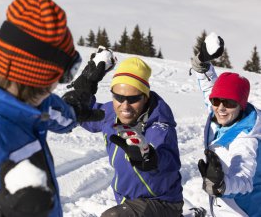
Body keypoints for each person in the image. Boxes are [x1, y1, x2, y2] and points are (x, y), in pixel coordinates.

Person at [0, 0, 106, 217]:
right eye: (61, 77)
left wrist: (76, 109)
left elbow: (54, 110)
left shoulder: (20, 100)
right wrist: (10, 211)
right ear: (40, 81)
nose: (57, 87)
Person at [70, 56, 184, 216]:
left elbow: (167, 159)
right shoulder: (110, 113)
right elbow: (84, 114)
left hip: (162, 203)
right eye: (118, 97)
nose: (125, 106)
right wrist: (85, 87)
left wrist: (149, 158)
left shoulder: (160, 126)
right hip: (127, 202)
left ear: (145, 97)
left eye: (133, 99)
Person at [191, 32, 261, 217]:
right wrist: (202, 62)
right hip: (224, 203)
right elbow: (209, 88)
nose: (221, 108)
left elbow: (244, 178)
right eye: (216, 101)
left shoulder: (246, 137)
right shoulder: (220, 112)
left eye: (229, 103)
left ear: (241, 105)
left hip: (243, 209)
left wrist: (222, 185)